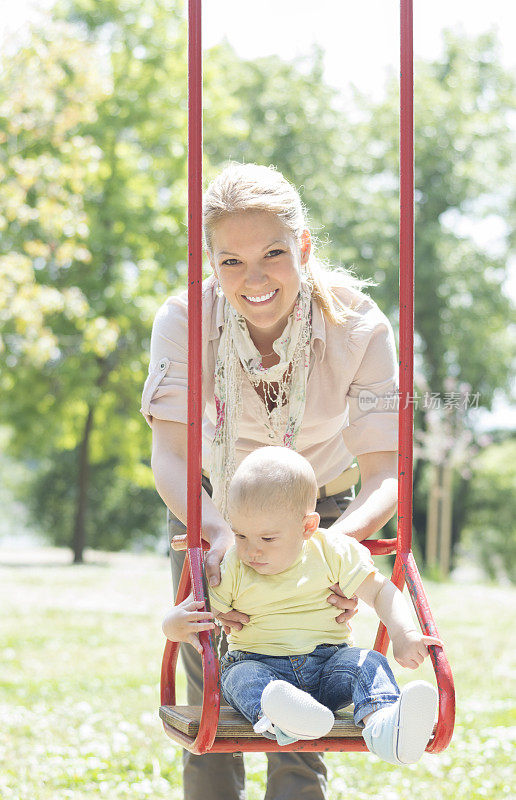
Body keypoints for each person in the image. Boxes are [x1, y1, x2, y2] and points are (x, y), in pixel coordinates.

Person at [142, 163, 400, 799]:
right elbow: (171, 456)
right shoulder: (184, 320)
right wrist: (218, 533)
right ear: (211, 261)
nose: (253, 279)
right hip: (213, 506)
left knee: (305, 659)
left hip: (326, 510)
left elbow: (387, 469)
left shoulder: (359, 326)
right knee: (214, 681)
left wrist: (341, 547)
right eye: (230, 261)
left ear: (304, 245)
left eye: (274, 254)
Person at [162, 446, 441, 765]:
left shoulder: (333, 551)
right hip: (259, 663)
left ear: (308, 527)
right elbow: (196, 610)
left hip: (328, 665)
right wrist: (173, 623)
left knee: (366, 662)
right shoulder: (235, 565)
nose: (252, 551)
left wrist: (403, 633)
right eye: (240, 535)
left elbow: (381, 592)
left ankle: (385, 727)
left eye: (267, 539)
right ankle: (282, 717)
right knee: (240, 676)